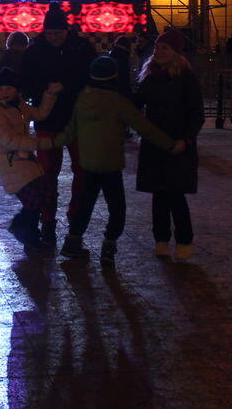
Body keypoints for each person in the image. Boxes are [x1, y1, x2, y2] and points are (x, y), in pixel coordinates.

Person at [51, 56, 183, 264]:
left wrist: (49, 143)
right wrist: (170, 145)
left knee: (85, 205)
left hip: (89, 164)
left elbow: (70, 131)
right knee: (117, 208)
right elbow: (144, 128)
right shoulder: (118, 102)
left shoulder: (82, 99)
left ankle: (72, 241)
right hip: (111, 164)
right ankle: (109, 246)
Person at [20, 5, 97, 247]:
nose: (53, 37)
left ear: (66, 30)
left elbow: (91, 76)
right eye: (50, 33)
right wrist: (44, 91)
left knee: (81, 171)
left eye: (57, 33)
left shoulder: (81, 48)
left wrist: (66, 86)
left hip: (77, 120)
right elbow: (26, 80)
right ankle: (48, 221)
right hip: (49, 120)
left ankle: (75, 220)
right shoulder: (36, 51)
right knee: (47, 173)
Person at [132, 29, 204, 261]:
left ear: (175, 52)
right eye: (157, 47)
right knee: (159, 193)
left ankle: (184, 240)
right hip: (154, 142)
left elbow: (196, 113)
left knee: (175, 193)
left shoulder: (185, 78)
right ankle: (161, 239)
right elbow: (136, 103)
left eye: (165, 48)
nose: (159, 51)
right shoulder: (150, 75)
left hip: (177, 142)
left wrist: (187, 139)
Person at [0, 68, 62, 253]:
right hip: (11, 163)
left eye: (9, 88)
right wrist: (41, 143)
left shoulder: (20, 106)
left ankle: (29, 237)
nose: (5, 92)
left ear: (17, 90)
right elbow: (8, 140)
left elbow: (40, 114)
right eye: (1, 89)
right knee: (34, 198)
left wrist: (50, 94)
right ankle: (21, 228)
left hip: (25, 161)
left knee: (41, 196)